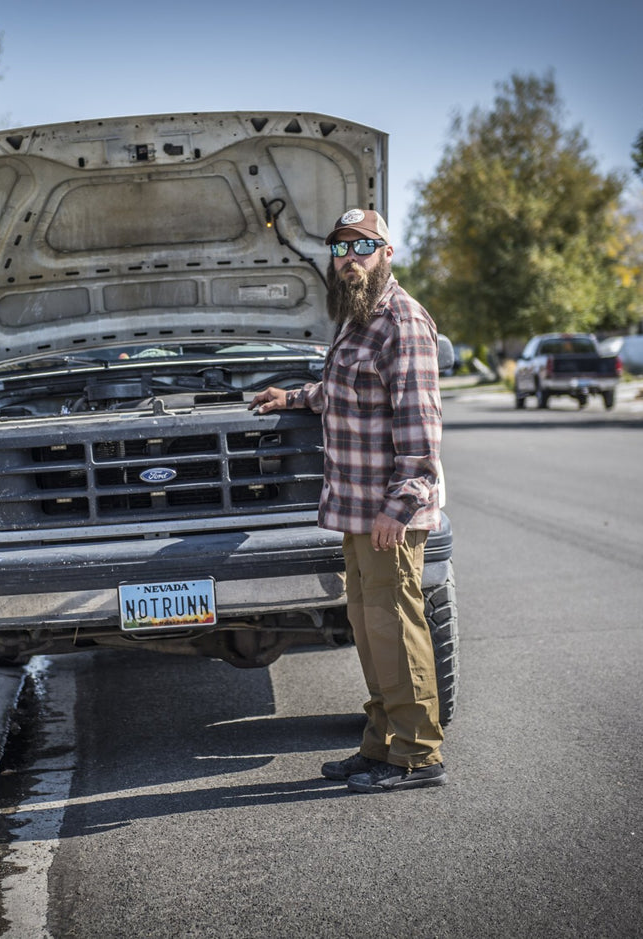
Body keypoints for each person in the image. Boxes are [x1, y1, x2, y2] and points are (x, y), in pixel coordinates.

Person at [250, 209, 446, 793]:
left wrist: (400, 504)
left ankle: (417, 754)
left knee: (397, 628)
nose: (350, 258)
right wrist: (293, 397)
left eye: (363, 246)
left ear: (387, 252)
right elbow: (347, 391)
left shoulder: (402, 321)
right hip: (358, 511)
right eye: (340, 249)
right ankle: (381, 743)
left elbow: (420, 427)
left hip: (389, 515)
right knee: (370, 629)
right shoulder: (358, 320)